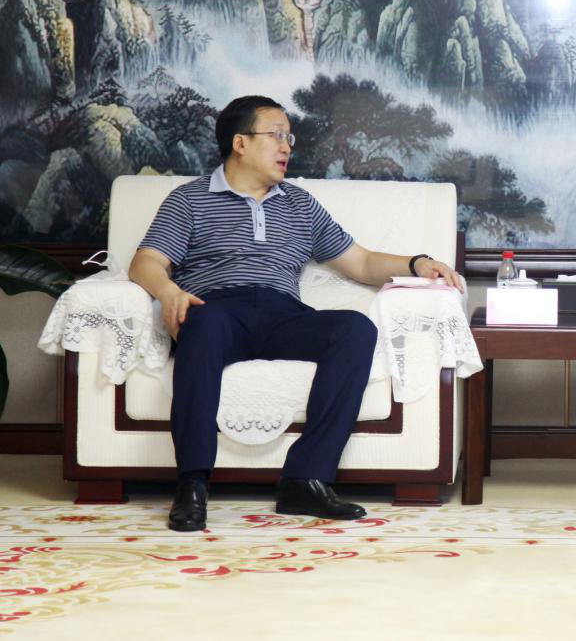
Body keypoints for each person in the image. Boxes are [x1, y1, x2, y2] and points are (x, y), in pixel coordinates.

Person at [128, 95, 463, 532]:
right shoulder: (189, 200)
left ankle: (306, 479)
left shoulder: (299, 204)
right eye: (276, 136)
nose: (287, 146)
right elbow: (145, 262)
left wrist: (418, 263)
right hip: (218, 310)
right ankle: (192, 483)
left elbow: (361, 262)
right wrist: (168, 291)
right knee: (202, 322)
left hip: (282, 313)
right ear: (240, 143)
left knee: (355, 329)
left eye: (290, 138)